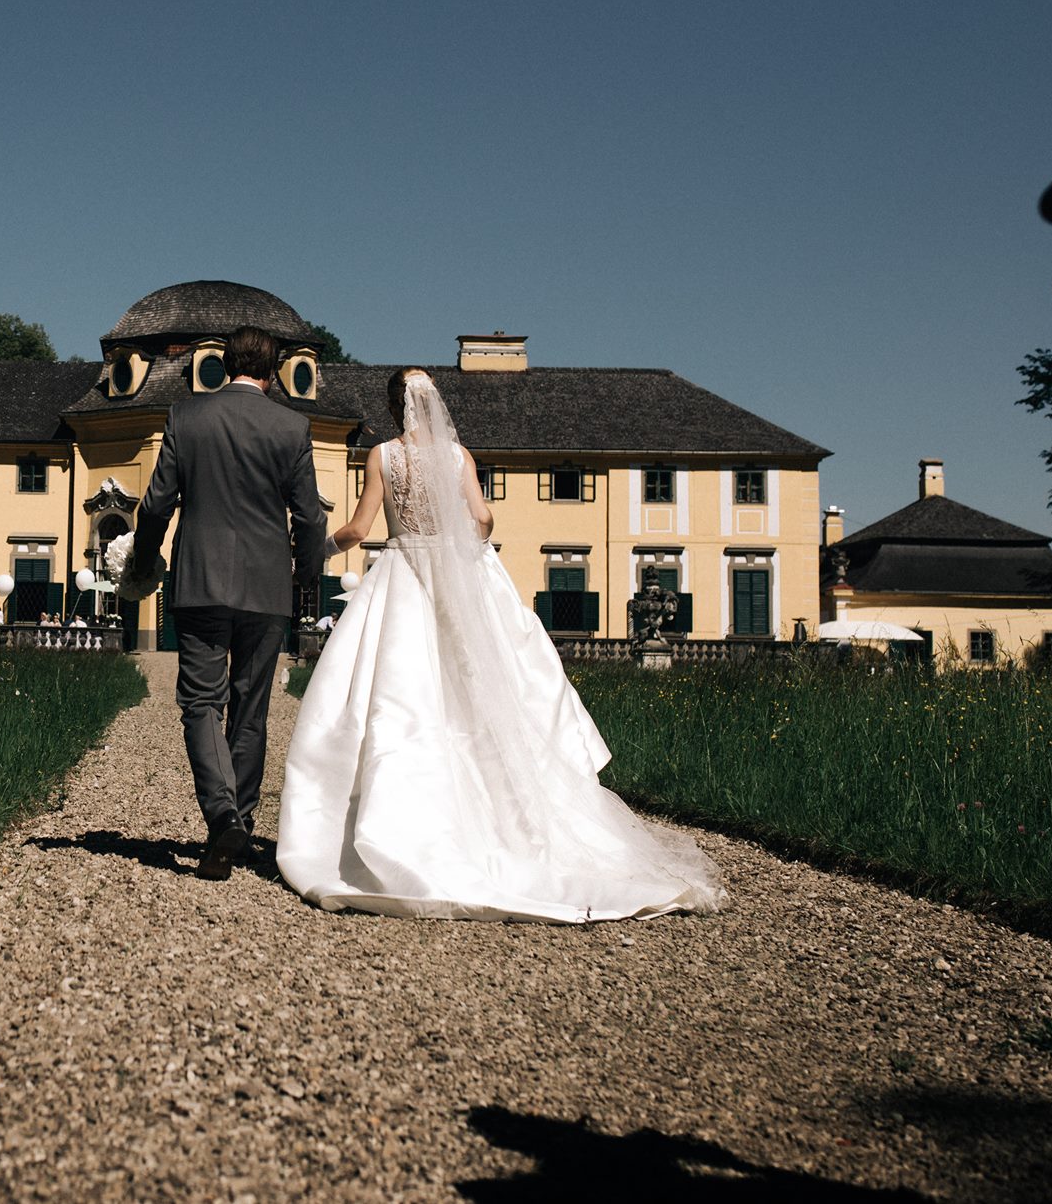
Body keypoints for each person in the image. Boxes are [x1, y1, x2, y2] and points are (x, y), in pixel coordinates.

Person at [276, 368, 727, 921]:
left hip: (402, 571)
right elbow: (484, 518)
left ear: (394, 407)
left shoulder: (383, 456)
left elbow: (358, 529)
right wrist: (462, 545)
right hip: (457, 572)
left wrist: (317, 551)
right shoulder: (458, 457)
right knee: (480, 689)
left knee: (398, 694)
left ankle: (392, 827)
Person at [131, 325, 327, 880]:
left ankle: (223, 817)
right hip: (268, 587)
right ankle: (238, 822)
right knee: (250, 709)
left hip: (200, 579)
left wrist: (144, 560)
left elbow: (156, 505)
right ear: (274, 372)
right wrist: (308, 576)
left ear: (225, 362)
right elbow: (310, 516)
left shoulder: (186, 416)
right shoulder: (292, 426)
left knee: (201, 703)